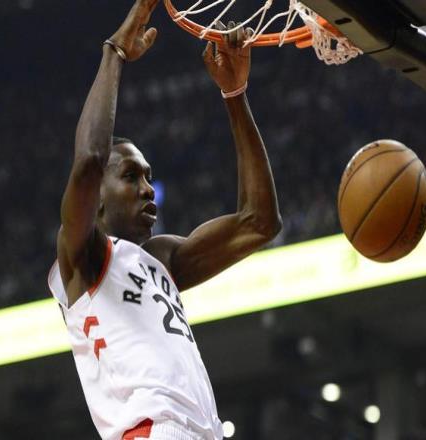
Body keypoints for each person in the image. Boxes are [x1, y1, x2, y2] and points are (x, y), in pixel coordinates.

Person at [48, 0, 281, 439]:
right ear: (97, 200)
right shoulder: (82, 258)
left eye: (149, 177)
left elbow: (260, 222)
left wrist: (235, 95)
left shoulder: (162, 259)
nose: (147, 188)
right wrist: (115, 51)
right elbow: (89, 161)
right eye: (130, 176)